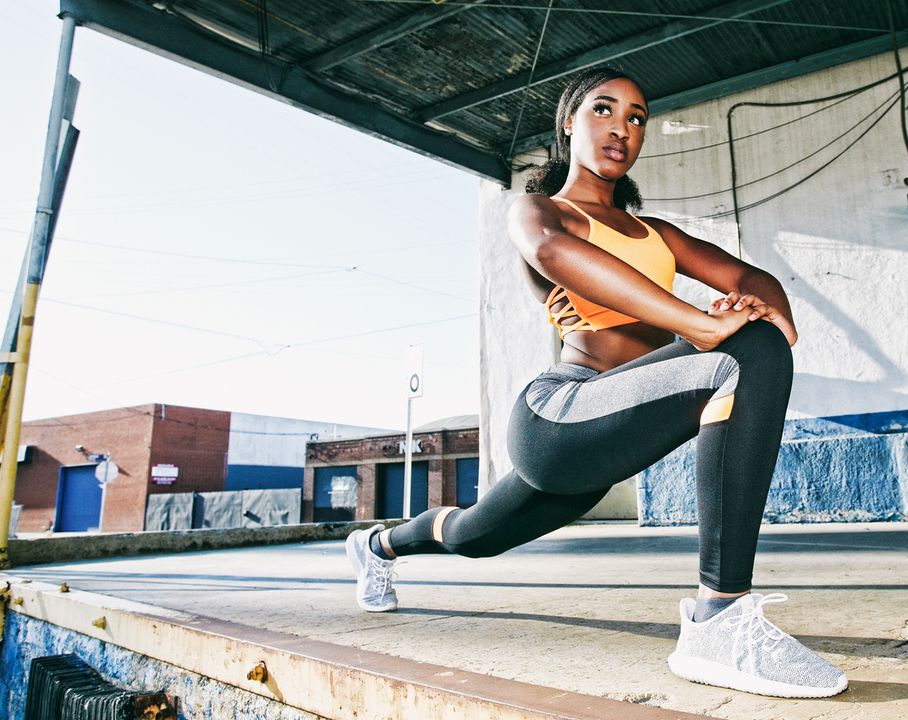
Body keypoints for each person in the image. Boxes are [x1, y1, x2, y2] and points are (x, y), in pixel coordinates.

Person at [345, 67, 847, 699]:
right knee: (746, 353)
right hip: (561, 414)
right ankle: (720, 619)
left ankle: (377, 544)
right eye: (604, 111)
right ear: (569, 124)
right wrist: (700, 323)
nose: (622, 127)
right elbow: (553, 251)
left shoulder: (659, 235)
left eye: (637, 117)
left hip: (609, 436)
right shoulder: (540, 211)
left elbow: (757, 282)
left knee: (475, 535)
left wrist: (757, 311)